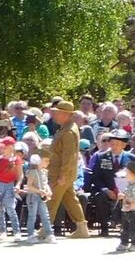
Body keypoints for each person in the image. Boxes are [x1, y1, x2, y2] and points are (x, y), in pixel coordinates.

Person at [47, 100, 93, 238]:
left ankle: (46, 228)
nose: (54, 115)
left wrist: (63, 175)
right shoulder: (65, 128)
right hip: (61, 172)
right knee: (70, 199)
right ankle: (81, 228)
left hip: (61, 173)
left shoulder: (68, 132)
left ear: (65, 114)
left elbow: (69, 156)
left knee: (52, 199)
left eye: (57, 112)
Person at [20, 150, 53, 242]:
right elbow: (29, 186)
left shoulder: (44, 172)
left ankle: (49, 234)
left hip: (41, 197)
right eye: (46, 160)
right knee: (32, 216)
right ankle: (30, 235)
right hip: (33, 197)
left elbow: (45, 183)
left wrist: (48, 190)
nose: (48, 163)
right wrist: (40, 191)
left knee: (45, 216)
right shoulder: (32, 172)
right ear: (39, 160)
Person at [116, 158, 135, 253]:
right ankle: (124, 242)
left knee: (134, 229)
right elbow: (124, 192)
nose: (125, 174)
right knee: (124, 228)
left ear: (134, 175)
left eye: (128, 173)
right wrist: (121, 195)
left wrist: (131, 206)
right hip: (125, 210)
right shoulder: (127, 184)